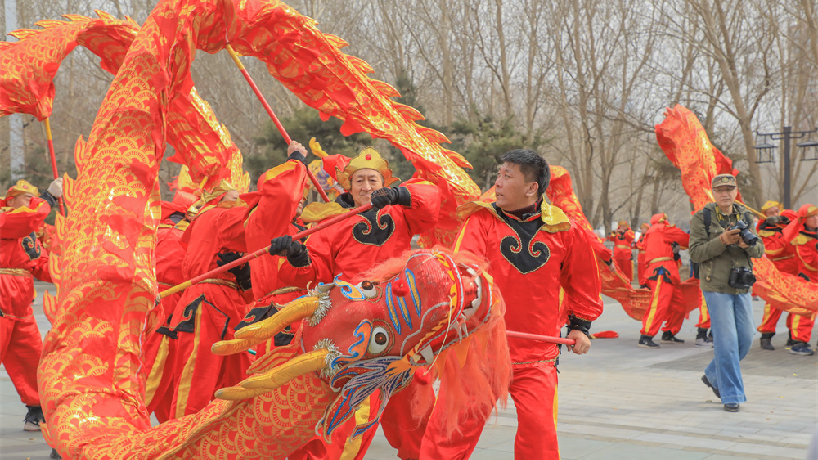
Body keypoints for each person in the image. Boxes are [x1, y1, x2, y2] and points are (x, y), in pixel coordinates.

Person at [419, 149, 603, 460]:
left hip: (537, 355)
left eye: (507, 176)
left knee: (540, 438)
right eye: (499, 174)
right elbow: (464, 273)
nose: (498, 183)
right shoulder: (480, 220)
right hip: (480, 350)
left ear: (532, 187)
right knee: (449, 436)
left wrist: (580, 327)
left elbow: (584, 284)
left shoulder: (565, 230)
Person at [270, 146, 441, 460]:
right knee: (348, 411)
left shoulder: (401, 213)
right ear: (349, 187)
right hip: (351, 324)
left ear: (384, 183)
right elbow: (313, 272)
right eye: (359, 180)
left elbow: (431, 201)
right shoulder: (331, 222)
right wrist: (296, 255)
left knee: (416, 406)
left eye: (373, 180)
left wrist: (399, 196)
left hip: (399, 320)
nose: (366, 186)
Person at [158, 182, 255, 420]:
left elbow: (251, 291)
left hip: (232, 307)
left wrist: (245, 276)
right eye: (233, 198)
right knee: (196, 383)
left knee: (238, 384)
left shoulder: (215, 224)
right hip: (204, 302)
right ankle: (180, 439)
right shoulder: (216, 217)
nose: (239, 202)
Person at [689, 173, 764, 412]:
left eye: (729, 189)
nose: (725, 194)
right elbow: (695, 253)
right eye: (720, 190)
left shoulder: (745, 215)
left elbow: (760, 250)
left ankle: (713, 375)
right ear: (713, 192)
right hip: (716, 286)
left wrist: (746, 245)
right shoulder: (703, 217)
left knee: (746, 338)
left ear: (735, 191)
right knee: (727, 342)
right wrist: (721, 240)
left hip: (741, 284)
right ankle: (731, 394)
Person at [0, 178, 62, 431]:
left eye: (35, 198)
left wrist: (69, 267)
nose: (32, 202)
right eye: (28, 198)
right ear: (11, 199)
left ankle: (37, 409)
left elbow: (40, 265)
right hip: (1, 294)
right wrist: (49, 198)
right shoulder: (6, 219)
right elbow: (26, 219)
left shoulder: (29, 232)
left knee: (31, 357)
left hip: (22, 300)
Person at [638, 213, 690, 347]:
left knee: (679, 305)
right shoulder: (662, 229)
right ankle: (646, 336)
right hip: (661, 271)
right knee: (659, 304)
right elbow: (684, 238)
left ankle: (669, 333)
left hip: (667, 271)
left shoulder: (652, 233)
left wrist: (674, 252)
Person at [755, 201, 801, 352]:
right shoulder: (765, 230)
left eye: (776, 211)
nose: (775, 214)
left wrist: (787, 221)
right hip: (779, 271)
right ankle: (766, 335)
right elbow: (774, 251)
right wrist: (788, 233)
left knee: (797, 304)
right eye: (771, 213)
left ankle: (794, 336)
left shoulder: (786, 216)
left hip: (797, 270)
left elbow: (800, 218)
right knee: (775, 304)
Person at [780, 204, 818, 356]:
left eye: (817, 215)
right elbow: (810, 262)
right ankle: (799, 342)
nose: (816, 219)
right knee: (805, 312)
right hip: (808, 280)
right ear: (804, 220)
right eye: (812, 216)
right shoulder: (800, 239)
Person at [634, 222, 650, 287]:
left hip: (646, 255)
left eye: (643, 228)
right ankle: (641, 283)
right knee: (640, 270)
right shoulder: (641, 237)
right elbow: (637, 245)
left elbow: (643, 246)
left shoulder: (648, 236)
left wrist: (638, 246)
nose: (642, 230)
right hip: (640, 256)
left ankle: (646, 283)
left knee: (646, 270)